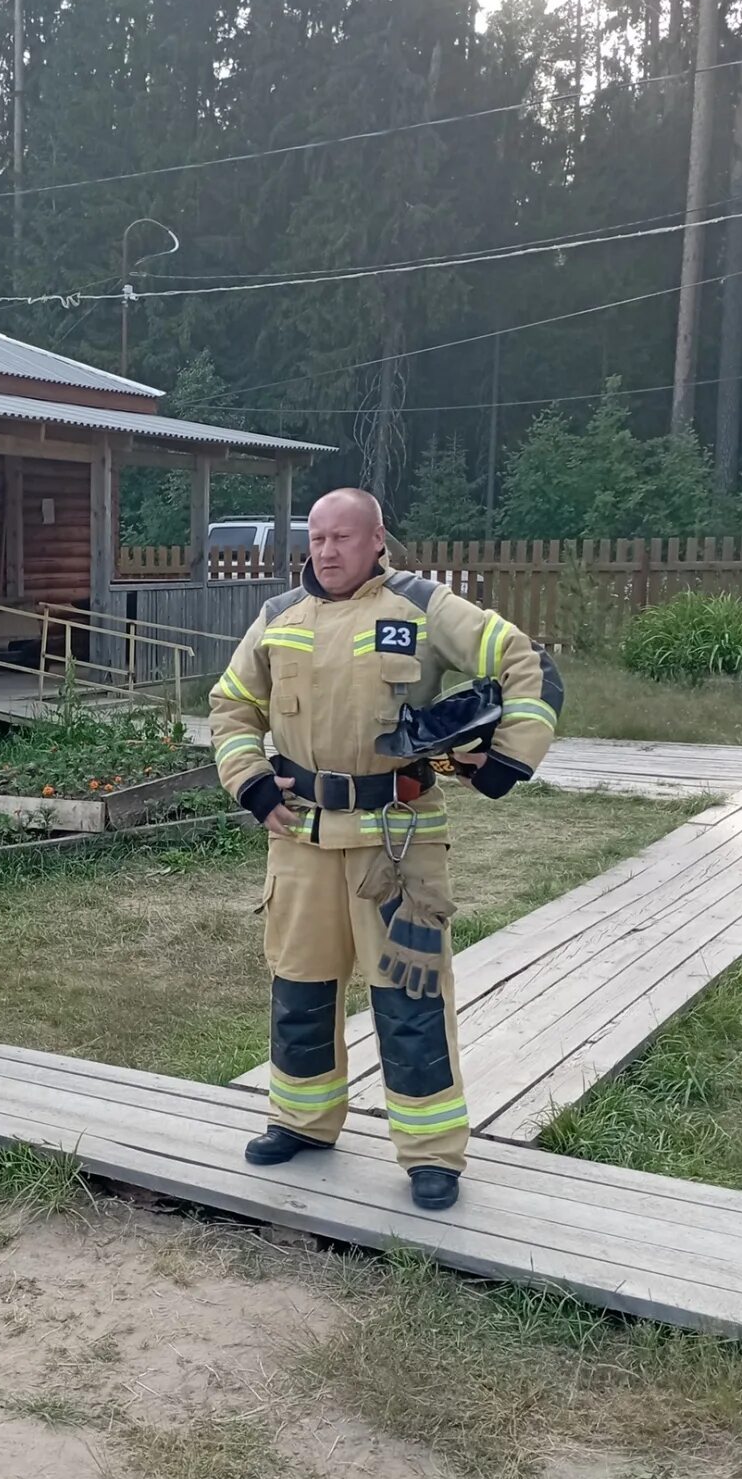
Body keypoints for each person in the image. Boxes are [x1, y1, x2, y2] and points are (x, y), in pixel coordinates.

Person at [209, 488, 562, 1212]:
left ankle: (431, 1154)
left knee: (411, 997)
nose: (328, 551)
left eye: (343, 537)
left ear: (377, 540)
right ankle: (302, 1122)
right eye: (317, 539)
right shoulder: (278, 617)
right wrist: (250, 782)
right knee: (299, 990)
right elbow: (231, 704)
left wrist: (504, 762)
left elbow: (525, 662)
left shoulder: (423, 606)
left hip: (399, 841)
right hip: (303, 837)